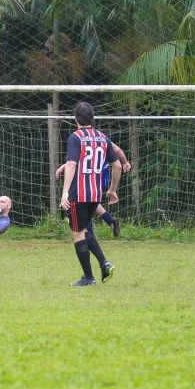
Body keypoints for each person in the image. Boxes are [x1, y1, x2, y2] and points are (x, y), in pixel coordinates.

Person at [60, 101, 121, 287]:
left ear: (75, 118)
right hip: (95, 195)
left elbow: (72, 164)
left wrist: (64, 193)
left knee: (77, 234)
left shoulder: (75, 137)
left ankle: (88, 278)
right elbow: (117, 165)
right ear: (92, 117)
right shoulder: (103, 138)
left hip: (78, 195)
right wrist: (112, 190)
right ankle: (104, 264)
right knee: (84, 231)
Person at [56, 141, 130, 239]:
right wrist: (125, 162)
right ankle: (109, 221)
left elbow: (80, 159)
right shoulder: (102, 139)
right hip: (101, 177)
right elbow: (118, 150)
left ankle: (89, 235)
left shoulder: (84, 138)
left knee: (84, 200)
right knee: (90, 202)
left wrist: (64, 166)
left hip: (92, 176)